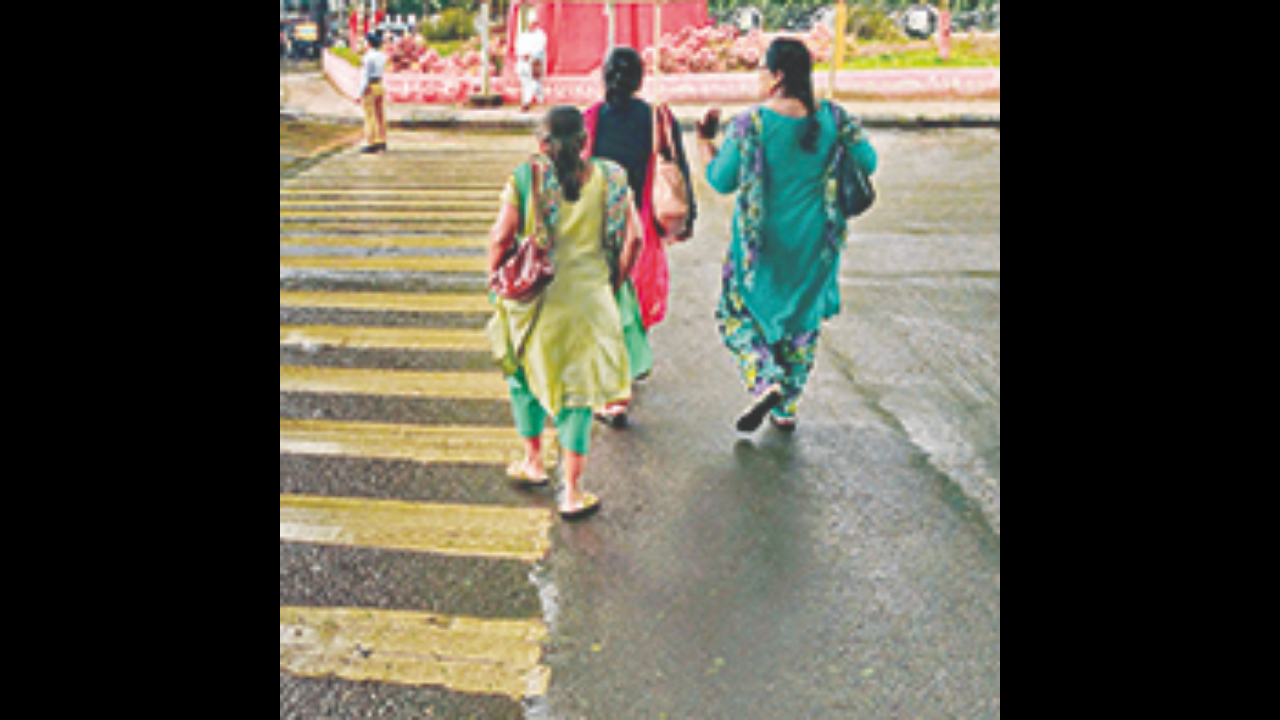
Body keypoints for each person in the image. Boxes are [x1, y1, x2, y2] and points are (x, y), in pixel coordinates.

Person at [697, 38, 879, 434]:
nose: (759, 76)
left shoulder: (752, 124)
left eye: (763, 69)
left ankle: (765, 380)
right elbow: (868, 161)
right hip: (815, 241)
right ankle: (786, 407)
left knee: (736, 314)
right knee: (800, 318)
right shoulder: (834, 117)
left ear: (778, 76)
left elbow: (722, 180)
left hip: (760, 245)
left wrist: (705, 141)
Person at [487, 107, 645, 520]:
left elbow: (501, 236)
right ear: (585, 141)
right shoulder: (613, 178)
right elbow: (635, 240)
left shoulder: (526, 179)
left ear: (541, 144)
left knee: (523, 375)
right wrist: (612, 283)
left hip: (534, 299)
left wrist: (494, 277)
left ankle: (533, 462)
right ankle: (572, 493)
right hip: (590, 301)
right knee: (577, 395)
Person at [582, 47, 697, 427]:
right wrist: (687, 217)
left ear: (605, 77)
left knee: (605, 303)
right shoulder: (656, 119)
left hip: (599, 225)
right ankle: (627, 366)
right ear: (639, 80)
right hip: (641, 221)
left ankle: (614, 387)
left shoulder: (590, 120)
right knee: (634, 297)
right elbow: (677, 168)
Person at [355, 32, 388, 154]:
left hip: (370, 86)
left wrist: (359, 93)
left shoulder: (367, 57)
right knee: (380, 114)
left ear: (368, 44)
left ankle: (371, 142)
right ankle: (382, 140)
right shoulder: (381, 56)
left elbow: (365, 76)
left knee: (370, 115)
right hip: (379, 84)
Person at [516, 13, 548, 113]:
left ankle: (540, 103)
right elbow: (518, 47)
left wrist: (530, 54)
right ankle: (526, 103)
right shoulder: (523, 35)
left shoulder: (540, 35)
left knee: (537, 83)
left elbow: (540, 48)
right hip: (524, 62)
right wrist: (522, 54)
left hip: (536, 61)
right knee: (525, 84)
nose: (531, 25)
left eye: (533, 23)